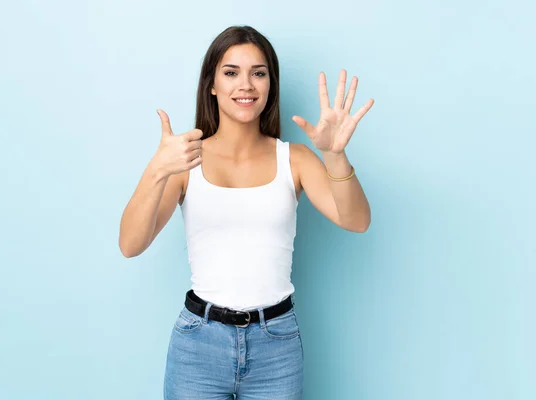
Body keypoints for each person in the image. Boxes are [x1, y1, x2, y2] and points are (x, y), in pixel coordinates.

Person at [119, 25, 374, 400]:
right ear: (212, 84)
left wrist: (335, 154)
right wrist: (157, 170)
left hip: (277, 345)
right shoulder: (186, 161)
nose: (246, 85)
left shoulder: (296, 159)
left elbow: (356, 220)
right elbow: (130, 244)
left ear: (271, 84)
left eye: (258, 73)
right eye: (231, 72)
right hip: (198, 345)